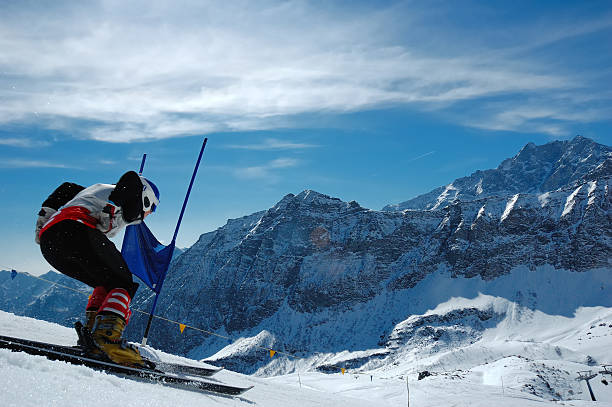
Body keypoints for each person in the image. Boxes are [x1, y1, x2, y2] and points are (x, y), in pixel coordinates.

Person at [35, 171, 160, 367]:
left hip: (50, 242)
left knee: (107, 284)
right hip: (76, 230)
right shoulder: (120, 193)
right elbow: (132, 178)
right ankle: (107, 339)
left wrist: (45, 216)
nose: (150, 213)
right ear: (145, 198)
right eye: (152, 207)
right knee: (124, 283)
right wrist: (112, 206)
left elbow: (67, 187)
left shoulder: (91, 193)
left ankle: (93, 338)